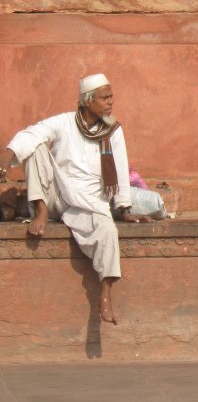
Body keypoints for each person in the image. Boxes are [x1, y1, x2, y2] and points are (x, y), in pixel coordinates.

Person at [0, 73, 154, 325]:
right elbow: (32, 132)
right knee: (37, 147)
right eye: (104, 97)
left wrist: (125, 208)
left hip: (88, 203)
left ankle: (105, 295)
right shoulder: (64, 123)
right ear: (87, 101)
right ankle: (38, 210)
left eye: (111, 96)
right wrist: (8, 155)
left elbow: (121, 165)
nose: (110, 102)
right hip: (56, 197)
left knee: (107, 231)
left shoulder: (112, 129)